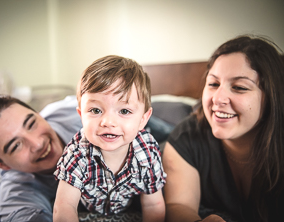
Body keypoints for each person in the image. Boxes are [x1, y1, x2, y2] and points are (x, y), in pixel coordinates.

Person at [163, 35, 284, 222]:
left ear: (271, 97)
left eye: (239, 87)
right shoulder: (186, 136)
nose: (217, 99)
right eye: (213, 84)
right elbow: (178, 205)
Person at [53, 55, 167, 222]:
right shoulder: (77, 153)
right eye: (96, 110)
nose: (108, 122)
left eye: (124, 111)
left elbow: (153, 205)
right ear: (81, 115)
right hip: (85, 207)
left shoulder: (147, 152)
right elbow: (64, 207)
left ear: (143, 118)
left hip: (129, 204)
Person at [0, 94, 82, 221]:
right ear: (0, 164)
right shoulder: (19, 190)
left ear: (39, 114)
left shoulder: (85, 112)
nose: (37, 144)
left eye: (31, 124)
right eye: (16, 146)